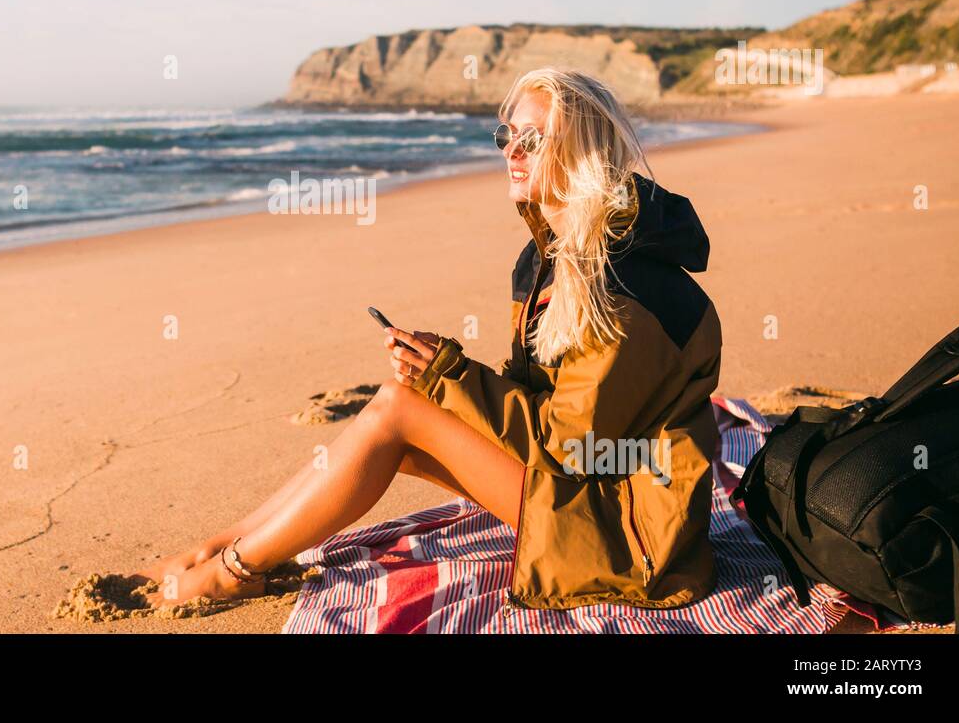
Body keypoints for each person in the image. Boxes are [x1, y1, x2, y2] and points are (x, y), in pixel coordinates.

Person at [136, 68, 722, 612]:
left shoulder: (621, 287)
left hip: (632, 536)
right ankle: (230, 543)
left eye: (535, 140)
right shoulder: (548, 258)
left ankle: (233, 570)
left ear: (583, 153)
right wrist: (443, 376)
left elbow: (568, 449)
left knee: (399, 411)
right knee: (404, 424)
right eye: (507, 136)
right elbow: (546, 399)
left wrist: (451, 377)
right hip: (584, 493)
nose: (512, 153)